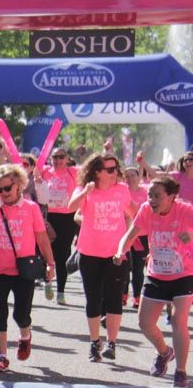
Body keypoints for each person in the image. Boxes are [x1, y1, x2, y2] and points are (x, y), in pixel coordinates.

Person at [0, 164, 55, 373]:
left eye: (7, 188)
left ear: (18, 185)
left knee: (21, 314)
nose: (3, 193)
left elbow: (42, 238)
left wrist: (51, 263)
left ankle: (25, 335)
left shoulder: (31, 208)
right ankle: (2, 356)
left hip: (23, 269)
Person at [114, 176, 193, 388]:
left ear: (171, 197)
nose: (152, 200)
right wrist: (120, 251)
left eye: (157, 196)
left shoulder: (185, 211)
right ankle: (164, 352)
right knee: (145, 323)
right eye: (150, 195)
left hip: (184, 274)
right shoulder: (146, 210)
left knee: (178, 321)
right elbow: (129, 235)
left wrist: (190, 236)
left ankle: (181, 371)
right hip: (157, 273)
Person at [67, 152, 136, 362]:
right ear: (97, 172)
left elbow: (135, 214)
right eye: (110, 169)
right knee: (93, 298)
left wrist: (129, 240)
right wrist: (85, 192)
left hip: (115, 253)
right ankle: (95, 341)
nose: (115, 173)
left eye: (116, 169)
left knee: (114, 297)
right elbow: (71, 207)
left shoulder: (122, 190)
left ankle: (111, 343)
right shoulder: (85, 189)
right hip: (89, 253)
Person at [41, 147, 79, 305]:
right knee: (47, 252)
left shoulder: (73, 172)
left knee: (62, 255)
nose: (58, 160)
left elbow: (92, 169)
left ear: (67, 159)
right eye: (55, 157)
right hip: (50, 217)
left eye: (61, 157)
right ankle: (48, 282)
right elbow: (23, 166)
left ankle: (61, 291)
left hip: (68, 218)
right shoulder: (45, 172)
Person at [124, 166, 150, 308]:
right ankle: (123, 295)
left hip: (142, 236)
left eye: (133, 175)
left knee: (138, 269)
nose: (130, 179)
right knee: (124, 267)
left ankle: (137, 297)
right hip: (124, 235)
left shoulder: (145, 192)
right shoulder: (121, 192)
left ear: (138, 176)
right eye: (127, 176)